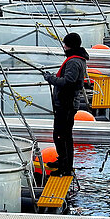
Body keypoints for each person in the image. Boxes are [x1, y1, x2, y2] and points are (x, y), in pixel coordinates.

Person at [42, 32, 89, 177]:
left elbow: (68, 82)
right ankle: (63, 161)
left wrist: (50, 79)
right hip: (66, 103)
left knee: (61, 135)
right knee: (63, 134)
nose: (64, 47)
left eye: (66, 45)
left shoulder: (74, 62)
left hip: (67, 104)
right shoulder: (76, 59)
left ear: (71, 46)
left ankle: (65, 167)